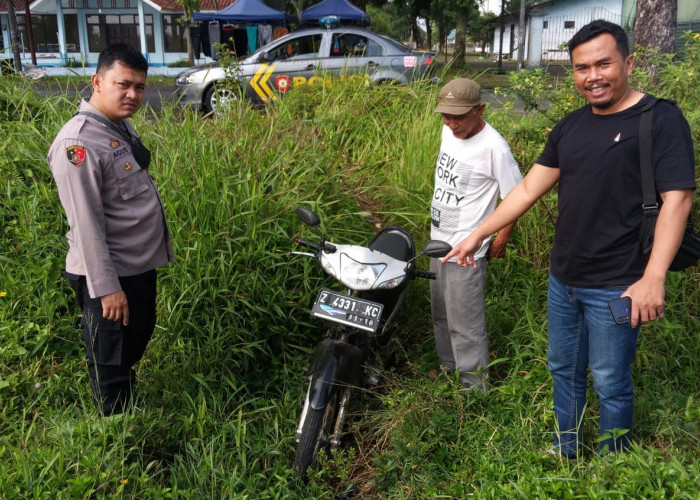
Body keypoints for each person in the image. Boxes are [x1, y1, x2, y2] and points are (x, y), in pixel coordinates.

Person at [442, 20, 695, 456]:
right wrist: (477, 235)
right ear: (572, 73)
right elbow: (525, 190)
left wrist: (654, 278)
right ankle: (567, 447)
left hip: (619, 282)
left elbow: (677, 200)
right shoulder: (570, 127)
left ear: (628, 63)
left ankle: (614, 465)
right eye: (581, 68)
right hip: (564, 280)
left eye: (603, 64)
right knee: (563, 368)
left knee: (610, 379)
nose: (592, 76)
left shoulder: (660, 119)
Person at [48, 44, 175, 416]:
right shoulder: (79, 143)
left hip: (135, 267)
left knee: (131, 346)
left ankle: (126, 409)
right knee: (110, 361)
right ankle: (117, 439)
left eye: (140, 86)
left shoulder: (115, 125)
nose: (133, 95)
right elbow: (85, 222)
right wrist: (107, 289)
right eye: (124, 84)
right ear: (97, 82)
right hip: (110, 276)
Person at [429, 78, 523, 391]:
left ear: (480, 109)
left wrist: (500, 239)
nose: (452, 124)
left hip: (468, 250)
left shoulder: (494, 147)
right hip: (438, 242)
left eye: (459, 117)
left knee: (465, 326)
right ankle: (449, 370)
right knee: (441, 315)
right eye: (446, 116)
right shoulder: (448, 130)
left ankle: (474, 390)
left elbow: (516, 196)